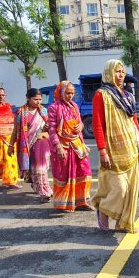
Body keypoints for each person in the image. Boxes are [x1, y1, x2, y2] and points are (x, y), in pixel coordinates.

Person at [93, 59, 139, 233]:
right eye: (117, 71)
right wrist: (102, 150)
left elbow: (133, 122)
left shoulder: (127, 95)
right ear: (109, 72)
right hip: (112, 150)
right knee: (120, 189)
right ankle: (102, 210)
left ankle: (121, 223)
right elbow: (97, 125)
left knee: (130, 190)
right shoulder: (101, 95)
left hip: (130, 149)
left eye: (122, 72)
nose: (120, 75)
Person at [48, 81, 94, 212]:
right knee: (65, 174)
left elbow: (79, 123)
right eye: (68, 93)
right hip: (63, 145)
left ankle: (82, 201)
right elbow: (52, 129)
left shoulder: (74, 106)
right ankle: (64, 203)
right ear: (61, 92)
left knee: (84, 172)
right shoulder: (53, 108)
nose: (70, 96)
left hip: (77, 144)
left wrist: (81, 126)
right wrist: (58, 147)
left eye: (72, 93)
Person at [10, 88, 52, 202]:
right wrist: (10, 145)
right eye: (35, 99)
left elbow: (50, 127)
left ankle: (44, 191)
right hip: (27, 146)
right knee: (34, 169)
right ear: (28, 98)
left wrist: (46, 133)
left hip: (43, 143)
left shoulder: (43, 111)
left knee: (41, 169)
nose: (38, 102)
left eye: (40, 99)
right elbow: (16, 130)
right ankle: (41, 189)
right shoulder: (21, 112)